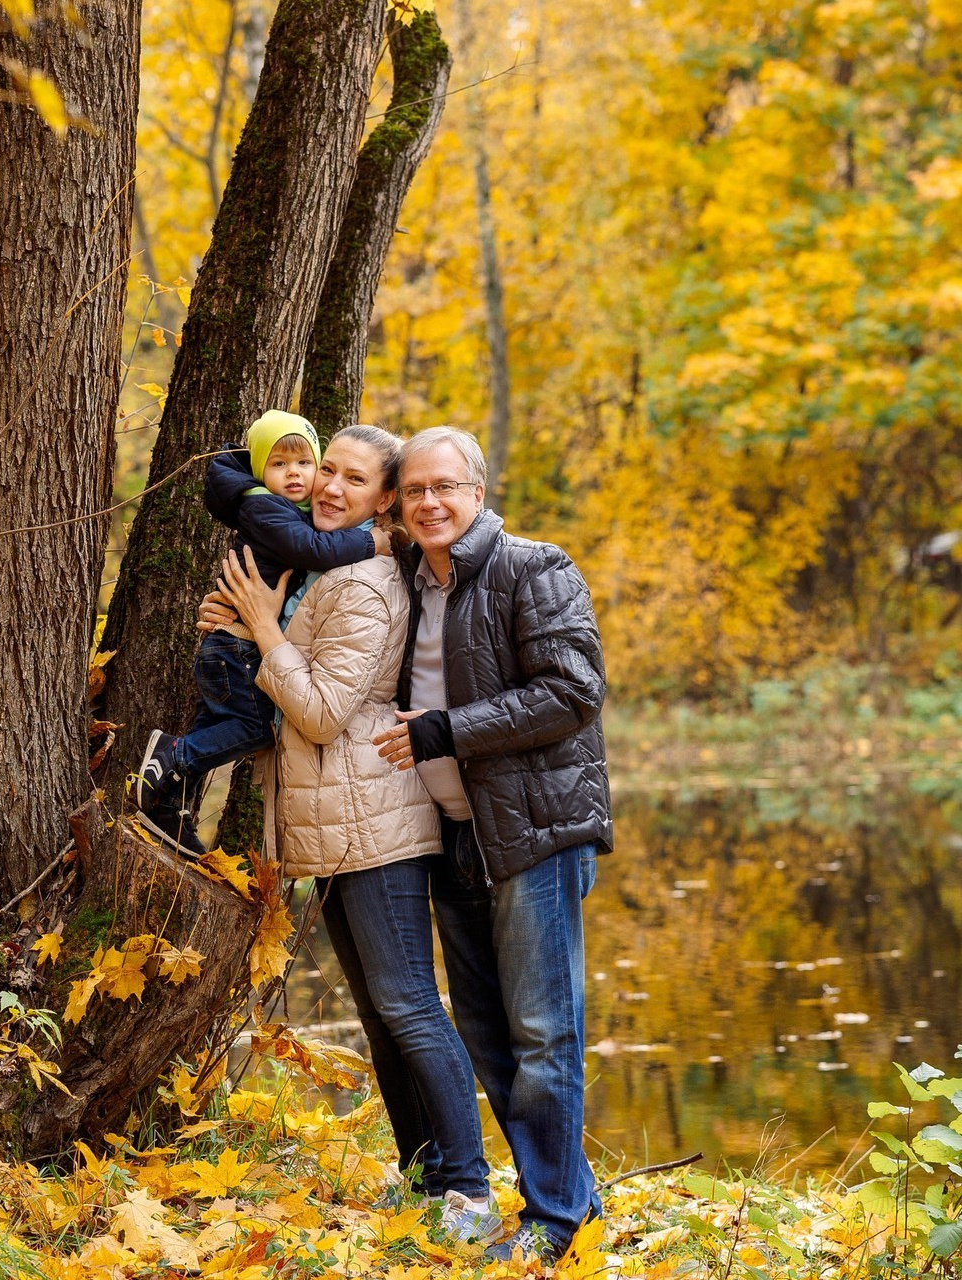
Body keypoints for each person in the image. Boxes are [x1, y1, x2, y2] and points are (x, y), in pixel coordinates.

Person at [213, 424, 503, 1245]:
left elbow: (320, 711)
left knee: (411, 1006)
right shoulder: (327, 570)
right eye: (325, 471)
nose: (331, 487)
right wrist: (247, 627)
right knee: (383, 1015)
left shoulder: (369, 584)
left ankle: (469, 1192)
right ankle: (422, 1182)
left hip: (376, 820)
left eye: (355, 479)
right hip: (336, 825)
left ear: (386, 501)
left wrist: (266, 630)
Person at [372, 425, 613, 1265]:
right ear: (398, 505)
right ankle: (566, 1191)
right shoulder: (405, 578)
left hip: (535, 830)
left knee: (544, 1030)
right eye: (414, 491)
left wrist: (448, 730)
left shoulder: (532, 567)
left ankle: (552, 1220)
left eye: (446, 486)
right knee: (481, 1024)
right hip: (452, 834)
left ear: (478, 491)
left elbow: (574, 692)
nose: (430, 503)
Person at [136, 409, 387, 856]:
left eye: (304, 464)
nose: (298, 475)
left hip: (242, 640)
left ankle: (167, 802)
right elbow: (311, 549)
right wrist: (374, 542)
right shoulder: (266, 506)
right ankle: (173, 756)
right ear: (258, 471)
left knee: (218, 726)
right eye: (280, 465)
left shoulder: (294, 512)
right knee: (257, 728)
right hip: (238, 645)